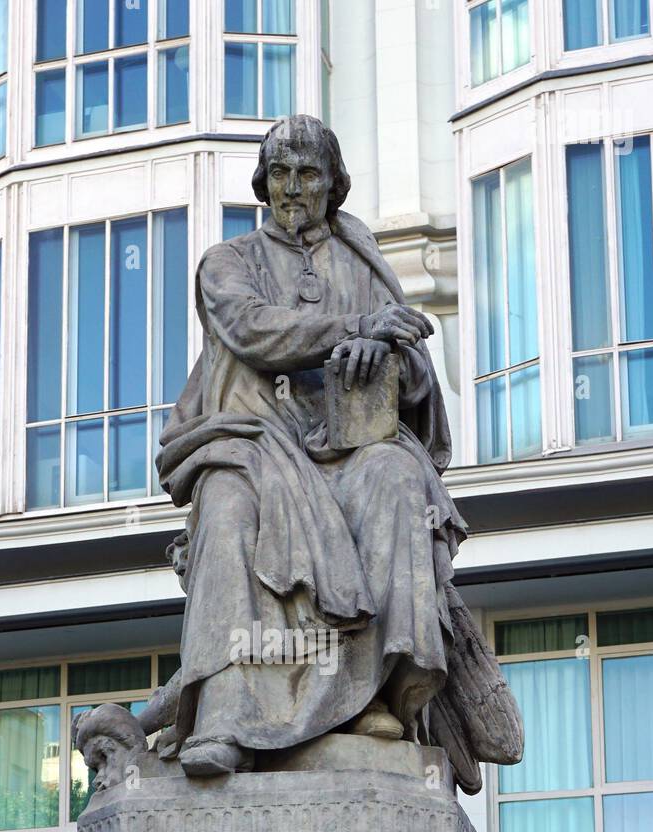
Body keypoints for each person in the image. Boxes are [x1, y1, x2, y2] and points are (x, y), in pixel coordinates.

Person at [156, 115, 520, 786]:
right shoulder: (228, 262)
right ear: (263, 184)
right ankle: (228, 715)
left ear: (333, 185)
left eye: (309, 173)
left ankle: (378, 699)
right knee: (229, 506)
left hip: (348, 451)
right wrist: (351, 327)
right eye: (282, 174)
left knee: (395, 479)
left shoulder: (362, 264)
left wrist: (381, 353)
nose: (294, 188)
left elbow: (415, 379)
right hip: (254, 441)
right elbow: (251, 329)